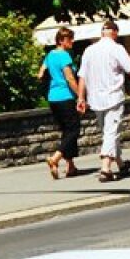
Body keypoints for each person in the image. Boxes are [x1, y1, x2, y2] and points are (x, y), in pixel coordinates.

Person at [76, 19, 130, 182]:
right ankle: (105, 168)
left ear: (102, 33)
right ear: (115, 33)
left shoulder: (89, 50)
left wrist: (81, 97)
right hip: (113, 97)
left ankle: (121, 164)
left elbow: (82, 76)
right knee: (111, 132)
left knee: (108, 132)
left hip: (95, 99)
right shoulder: (117, 48)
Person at [39, 27, 81, 179]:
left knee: (66, 130)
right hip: (65, 97)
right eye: (70, 39)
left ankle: (71, 167)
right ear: (61, 40)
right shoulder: (64, 56)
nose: (72, 41)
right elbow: (70, 78)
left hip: (53, 98)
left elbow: (40, 73)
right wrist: (81, 96)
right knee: (74, 129)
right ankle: (55, 158)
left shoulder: (50, 55)